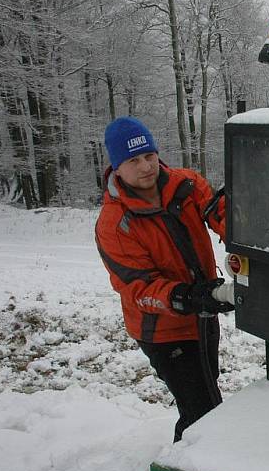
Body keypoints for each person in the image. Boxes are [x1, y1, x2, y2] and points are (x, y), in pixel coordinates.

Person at [95, 116, 233, 442]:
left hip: (204, 316)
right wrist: (189, 296)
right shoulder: (115, 224)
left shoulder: (186, 185)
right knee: (205, 413)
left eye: (149, 155)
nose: (145, 166)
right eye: (133, 160)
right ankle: (189, 469)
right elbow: (138, 288)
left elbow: (222, 213)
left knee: (203, 399)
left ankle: (184, 461)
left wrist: (246, 242)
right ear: (117, 167)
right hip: (162, 331)